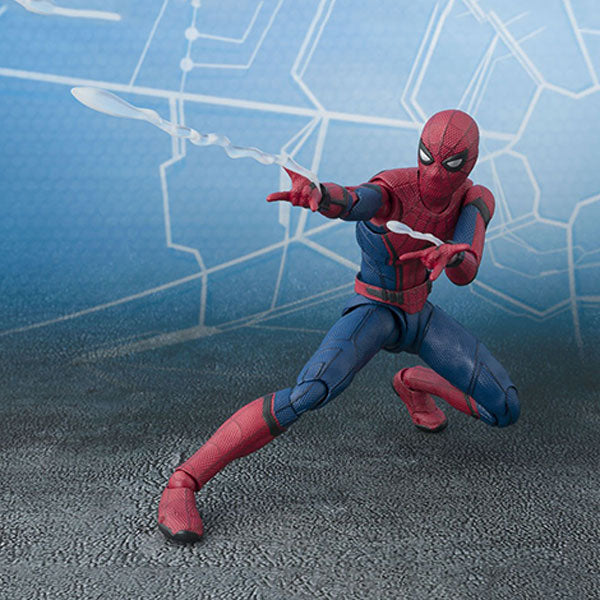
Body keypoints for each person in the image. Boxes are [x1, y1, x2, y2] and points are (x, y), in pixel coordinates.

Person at [157, 109, 520, 542]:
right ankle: (183, 482)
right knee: (310, 391)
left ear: (471, 161)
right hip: (375, 311)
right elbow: (354, 200)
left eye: (452, 163)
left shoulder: (476, 199)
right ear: (418, 151)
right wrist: (319, 194)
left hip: (420, 316)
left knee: (504, 408)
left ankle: (413, 382)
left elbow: (465, 272)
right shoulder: (396, 187)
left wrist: (456, 255)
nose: (435, 174)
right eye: (428, 158)